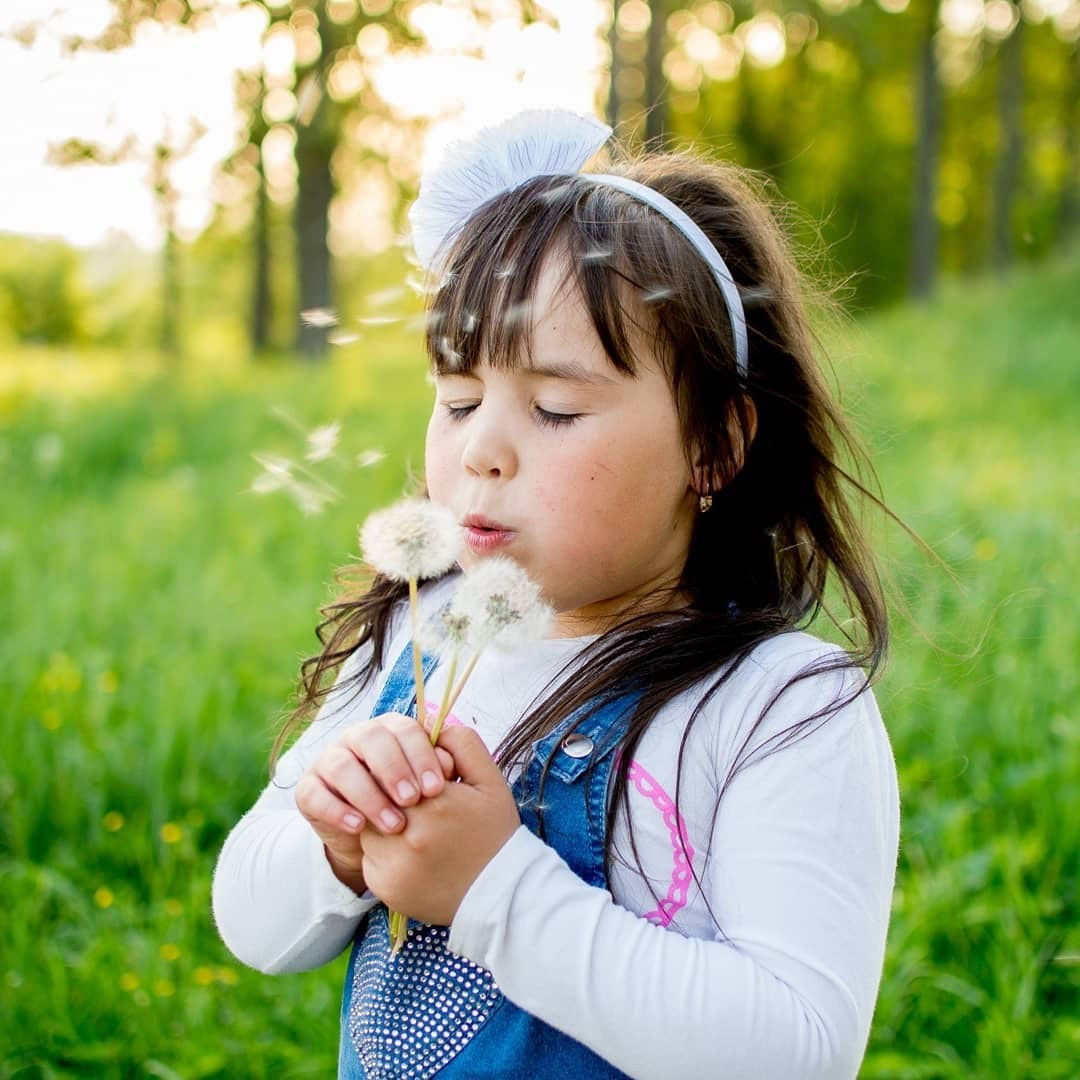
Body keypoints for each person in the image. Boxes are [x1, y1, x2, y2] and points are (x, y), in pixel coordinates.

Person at [212, 109, 901, 1080]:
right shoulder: (419, 637)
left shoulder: (777, 708)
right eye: (456, 400)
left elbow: (796, 1050)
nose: (482, 449)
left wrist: (497, 888)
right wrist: (333, 845)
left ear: (715, 446)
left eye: (555, 408)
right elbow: (252, 922)